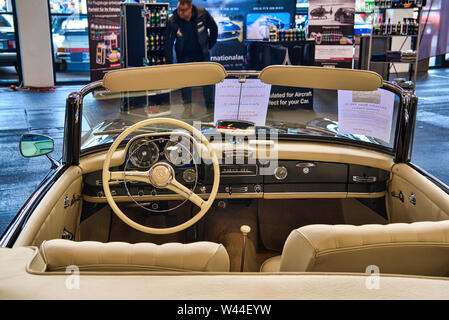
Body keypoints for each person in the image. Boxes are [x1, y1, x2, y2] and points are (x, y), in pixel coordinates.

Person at [164, 0, 218, 118]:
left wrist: (209, 45)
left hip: (202, 54)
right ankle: (187, 110)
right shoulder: (173, 20)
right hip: (185, 55)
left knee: (208, 82)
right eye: (178, 9)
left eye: (183, 10)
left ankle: (210, 109)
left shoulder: (202, 14)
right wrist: (168, 64)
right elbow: (168, 43)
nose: (180, 12)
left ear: (190, 9)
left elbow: (214, 29)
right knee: (186, 83)